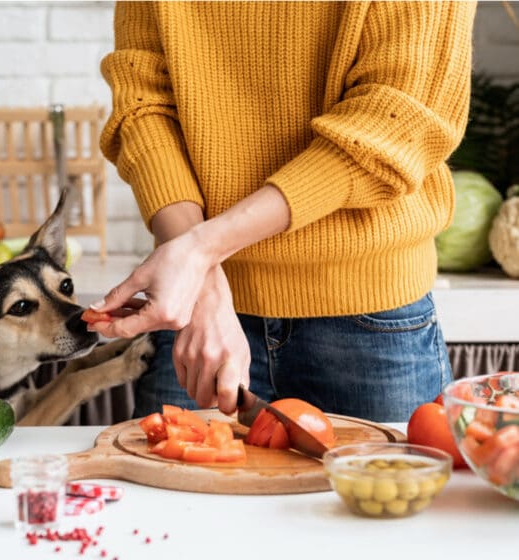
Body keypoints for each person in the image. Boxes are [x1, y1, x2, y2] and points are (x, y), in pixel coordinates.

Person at [89, 1, 477, 422]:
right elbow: (143, 105)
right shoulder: (199, 287)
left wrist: (199, 254)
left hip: (368, 320)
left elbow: (393, 122)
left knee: (381, 490)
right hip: (197, 313)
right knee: (168, 486)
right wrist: (202, 284)